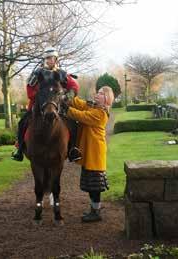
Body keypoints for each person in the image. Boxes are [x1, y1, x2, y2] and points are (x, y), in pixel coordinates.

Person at [11, 47, 81, 162]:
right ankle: (19, 150)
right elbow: (30, 91)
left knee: (73, 124)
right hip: (38, 106)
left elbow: (74, 86)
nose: (50, 60)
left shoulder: (62, 74)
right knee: (22, 123)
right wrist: (41, 97)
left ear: (56, 59)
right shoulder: (37, 74)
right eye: (47, 58)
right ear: (44, 60)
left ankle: (73, 149)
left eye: (52, 58)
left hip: (59, 106)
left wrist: (67, 96)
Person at [64, 86, 114, 223]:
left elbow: (82, 116)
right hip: (90, 151)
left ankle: (96, 212)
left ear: (107, 99)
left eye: (101, 94)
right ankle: (93, 210)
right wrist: (69, 95)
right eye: (97, 93)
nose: (97, 95)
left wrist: (66, 109)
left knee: (95, 185)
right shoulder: (93, 107)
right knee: (91, 184)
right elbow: (80, 103)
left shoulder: (101, 114)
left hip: (95, 152)